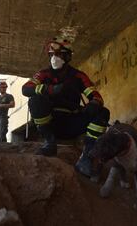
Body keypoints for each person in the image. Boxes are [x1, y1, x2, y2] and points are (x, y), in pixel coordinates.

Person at [22, 36, 110, 178]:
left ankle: (86, 157)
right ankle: (49, 143)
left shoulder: (78, 76)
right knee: (35, 101)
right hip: (51, 123)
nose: (54, 58)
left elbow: (96, 95)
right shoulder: (43, 74)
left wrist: (94, 104)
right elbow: (26, 89)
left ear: (68, 56)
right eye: (51, 55)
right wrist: (49, 89)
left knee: (103, 112)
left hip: (72, 122)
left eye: (58, 54)